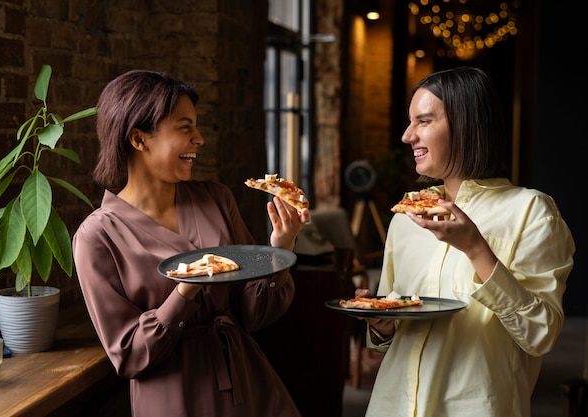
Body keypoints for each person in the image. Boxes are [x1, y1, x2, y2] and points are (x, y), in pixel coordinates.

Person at [72, 70, 310, 417]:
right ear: (139, 140)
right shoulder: (97, 237)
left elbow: (253, 314)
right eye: (185, 128)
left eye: (196, 127)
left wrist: (282, 246)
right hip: (174, 398)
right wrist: (185, 291)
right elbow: (128, 355)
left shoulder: (216, 199)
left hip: (249, 387)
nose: (199, 139)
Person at [359, 67, 575, 417]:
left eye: (423, 121)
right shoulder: (406, 218)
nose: (406, 136)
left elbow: (540, 336)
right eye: (410, 122)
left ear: (465, 124)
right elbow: (391, 331)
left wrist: (476, 249)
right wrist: (382, 326)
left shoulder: (532, 212)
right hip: (391, 405)